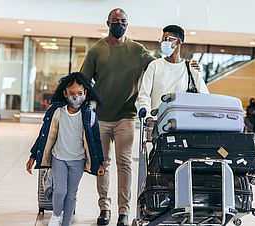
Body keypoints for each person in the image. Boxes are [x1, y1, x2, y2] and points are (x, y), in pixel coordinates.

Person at [80, 9, 200, 226]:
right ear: (108, 23)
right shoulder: (96, 50)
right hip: (102, 117)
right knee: (102, 164)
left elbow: (164, 66)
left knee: (124, 163)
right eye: (115, 21)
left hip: (126, 116)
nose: (119, 25)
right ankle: (104, 208)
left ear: (128, 24)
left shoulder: (137, 50)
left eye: (123, 21)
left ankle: (123, 212)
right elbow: (84, 82)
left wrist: (190, 67)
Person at [25, 72, 105, 226]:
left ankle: (66, 223)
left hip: (78, 160)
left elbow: (96, 141)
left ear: (86, 93)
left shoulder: (90, 115)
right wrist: (33, 156)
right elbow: (44, 135)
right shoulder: (56, 112)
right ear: (65, 93)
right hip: (59, 158)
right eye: (72, 94)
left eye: (80, 93)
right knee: (60, 191)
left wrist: (100, 163)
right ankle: (56, 216)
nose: (76, 97)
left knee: (71, 194)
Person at [138, 25, 209, 120]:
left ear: (178, 42)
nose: (163, 43)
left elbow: (205, 96)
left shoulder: (190, 68)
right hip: (157, 122)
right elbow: (144, 95)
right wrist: (148, 116)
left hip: (182, 123)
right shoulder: (154, 65)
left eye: (167, 39)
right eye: (162, 40)